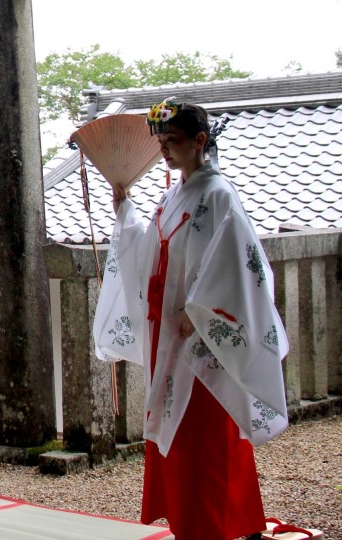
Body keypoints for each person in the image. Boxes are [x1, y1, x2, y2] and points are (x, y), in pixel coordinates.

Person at [93, 99, 289, 540]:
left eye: (172, 141)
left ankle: (220, 524)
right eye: (160, 142)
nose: (164, 149)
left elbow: (239, 264)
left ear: (200, 141)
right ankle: (192, 523)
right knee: (181, 434)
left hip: (202, 335)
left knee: (208, 435)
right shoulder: (173, 194)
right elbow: (153, 251)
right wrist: (126, 213)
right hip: (171, 331)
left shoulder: (218, 195)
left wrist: (202, 314)